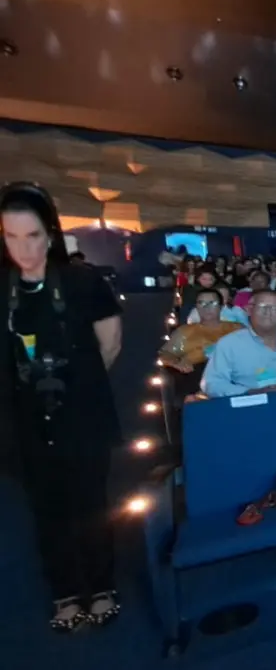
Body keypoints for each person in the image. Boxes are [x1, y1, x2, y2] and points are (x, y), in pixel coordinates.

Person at [0, 182, 124, 631]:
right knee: (47, 512)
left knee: (91, 504)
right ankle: (66, 592)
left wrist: (77, 391)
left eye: (31, 235)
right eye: (11, 237)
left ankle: (102, 584)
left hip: (82, 414)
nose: (23, 249)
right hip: (24, 421)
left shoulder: (81, 280)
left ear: (49, 233)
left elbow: (109, 346)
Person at [201, 289, 276, 397]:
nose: (268, 312)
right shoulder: (228, 344)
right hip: (249, 409)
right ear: (249, 310)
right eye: (262, 307)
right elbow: (212, 383)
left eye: (274, 308)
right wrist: (250, 392)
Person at [160, 286, 244, 396]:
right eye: (201, 303)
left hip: (233, 376)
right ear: (196, 307)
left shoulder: (237, 329)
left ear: (221, 306)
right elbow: (166, 354)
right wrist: (176, 363)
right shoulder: (185, 331)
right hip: (196, 379)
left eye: (212, 303)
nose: (206, 307)